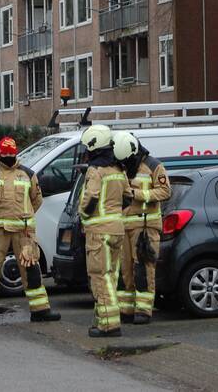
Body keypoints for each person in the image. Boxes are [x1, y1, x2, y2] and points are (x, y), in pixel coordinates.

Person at [0, 136, 60, 324]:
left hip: (23, 233)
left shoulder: (28, 174)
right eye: (5, 153)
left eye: (11, 153)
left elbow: (36, 200)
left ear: (15, 153)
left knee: (31, 269)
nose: (8, 156)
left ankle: (40, 309)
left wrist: (23, 216)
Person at [115, 132, 171, 325]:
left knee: (144, 269)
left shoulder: (154, 166)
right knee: (126, 269)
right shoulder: (122, 165)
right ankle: (126, 309)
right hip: (125, 226)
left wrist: (137, 193)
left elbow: (165, 191)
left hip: (146, 226)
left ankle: (144, 310)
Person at [77, 124, 128, 337]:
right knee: (111, 277)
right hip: (117, 230)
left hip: (99, 231)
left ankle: (108, 324)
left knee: (100, 276)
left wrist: (84, 216)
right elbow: (128, 197)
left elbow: (91, 198)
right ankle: (105, 319)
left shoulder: (95, 171)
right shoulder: (118, 170)